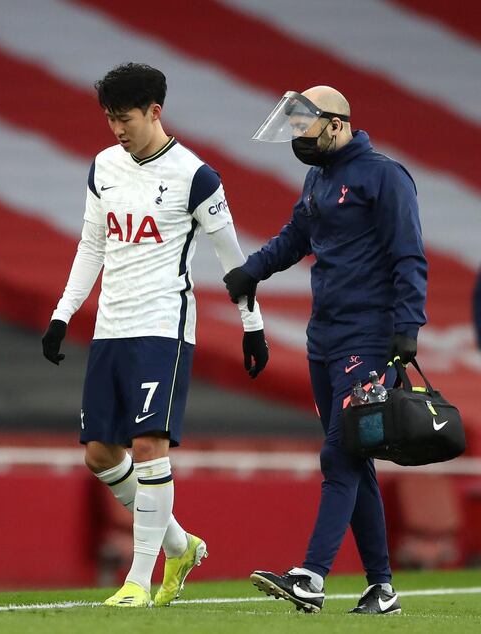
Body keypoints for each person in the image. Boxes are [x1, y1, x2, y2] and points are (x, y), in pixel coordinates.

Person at [42, 63, 268, 608]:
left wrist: (252, 325)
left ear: (154, 112)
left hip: (163, 328)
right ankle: (180, 544)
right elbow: (92, 246)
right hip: (111, 328)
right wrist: (61, 314)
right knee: (100, 455)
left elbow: (232, 261)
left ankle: (138, 581)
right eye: (110, 119)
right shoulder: (103, 167)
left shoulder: (197, 177)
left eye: (125, 119)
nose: (117, 129)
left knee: (148, 447)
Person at [224, 86, 427, 615]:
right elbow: (296, 237)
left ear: (336, 124)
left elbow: (409, 254)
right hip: (325, 341)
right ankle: (382, 589)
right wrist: (254, 270)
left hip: (369, 339)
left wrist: (408, 327)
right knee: (356, 460)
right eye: (292, 128)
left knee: (340, 455)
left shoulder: (385, 176)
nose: (297, 137)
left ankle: (311, 577)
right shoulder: (319, 178)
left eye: (303, 127)